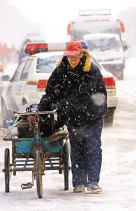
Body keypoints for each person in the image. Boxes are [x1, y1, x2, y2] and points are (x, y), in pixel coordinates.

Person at [38, 41, 107, 193]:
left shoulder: (91, 71)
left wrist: (64, 104)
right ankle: (79, 183)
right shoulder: (60, 71)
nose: (73, 60)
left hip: (92, 115)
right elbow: (51, 92)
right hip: (75, 118)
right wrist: (42, 108)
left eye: (75, 57)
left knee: (93, 147)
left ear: (81, 54)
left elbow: (85, 96)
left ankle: (93, 182)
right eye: (70, 57)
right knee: (77, 148)